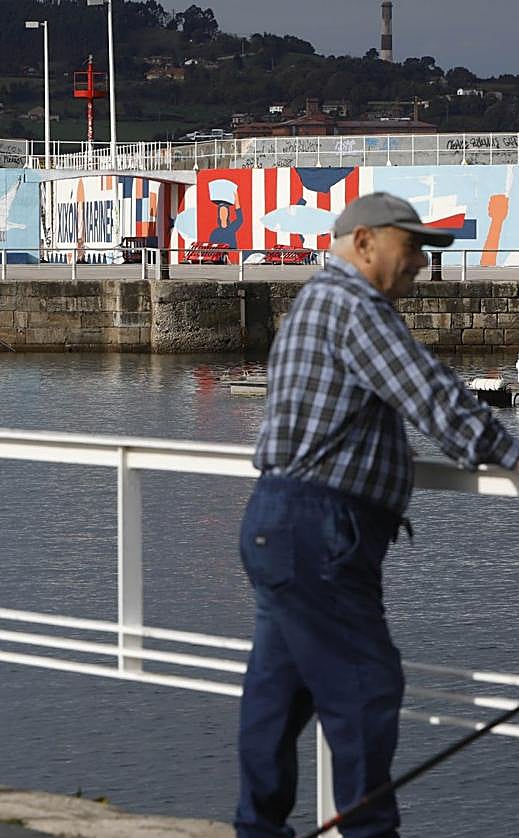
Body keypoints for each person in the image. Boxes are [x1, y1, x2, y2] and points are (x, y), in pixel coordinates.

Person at [235, 192, 519, 838]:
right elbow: (431, 396)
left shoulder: (317, 299)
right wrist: (510, 456)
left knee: (276, 698)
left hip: (281, 520)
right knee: (365, 687)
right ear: (363, 242)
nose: (421, 261)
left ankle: (256, 829)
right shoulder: (355, 306)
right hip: (320, 528)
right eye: (411, 246)